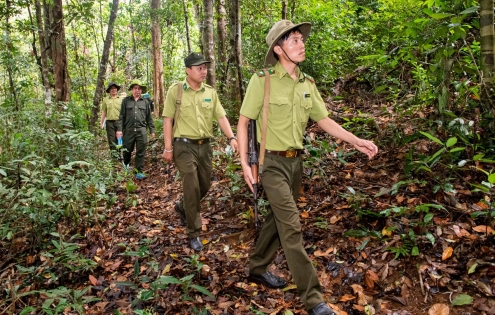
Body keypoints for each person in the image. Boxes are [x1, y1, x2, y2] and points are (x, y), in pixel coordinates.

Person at [236, 20, 378, 315]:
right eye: (293, 40)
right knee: (291, 226)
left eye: (301, 39)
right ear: (278, 49)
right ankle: (313, 299)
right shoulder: (261, 80)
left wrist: (356, 140)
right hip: (270, 163)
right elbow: (244, 121)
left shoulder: (307, 84)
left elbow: (324, 120)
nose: (301, 44)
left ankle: (257, 267)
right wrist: (244, 163)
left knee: (278, 220)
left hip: (295, 162)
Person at [162, 52, 238, 252]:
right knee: (191, 186)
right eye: (199, 68)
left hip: (205, 147)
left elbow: (221, 117)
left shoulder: (210, 92)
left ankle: (182, 206)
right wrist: (168, 148)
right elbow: (168, 120)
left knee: (204, 185)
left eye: (205, 67)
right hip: (183, 146)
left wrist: (232, 137)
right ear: (188, 70)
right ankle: (194, 232)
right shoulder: (176, 91)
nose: (204, 71)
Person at [116, 79, 156, 179]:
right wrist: (119, 130)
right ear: (132, 90)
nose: (137, 90)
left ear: (141, 90)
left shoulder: (145, 102)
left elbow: (149, 118)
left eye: (139, 89)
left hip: (141, 130)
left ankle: (139, 171)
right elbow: (121, 116)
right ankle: (126, 168)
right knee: (127, 150)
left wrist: (152, 130)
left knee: (140, 151)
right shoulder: (126, 101)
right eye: (135, 88)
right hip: (128, 130)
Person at [100, 82, 123, 160]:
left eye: (115, 88)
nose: (113, 90)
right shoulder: (106, 100)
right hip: (109, 123)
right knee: (111, 140)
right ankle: (114, 157)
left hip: (119, 122)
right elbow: (104, 112)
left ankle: (119, 155)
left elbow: (125, 111)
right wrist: (101, 123)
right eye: (112, 88)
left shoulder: (121, 99)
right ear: (109, 90)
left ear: (117, 89)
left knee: (119, 139)